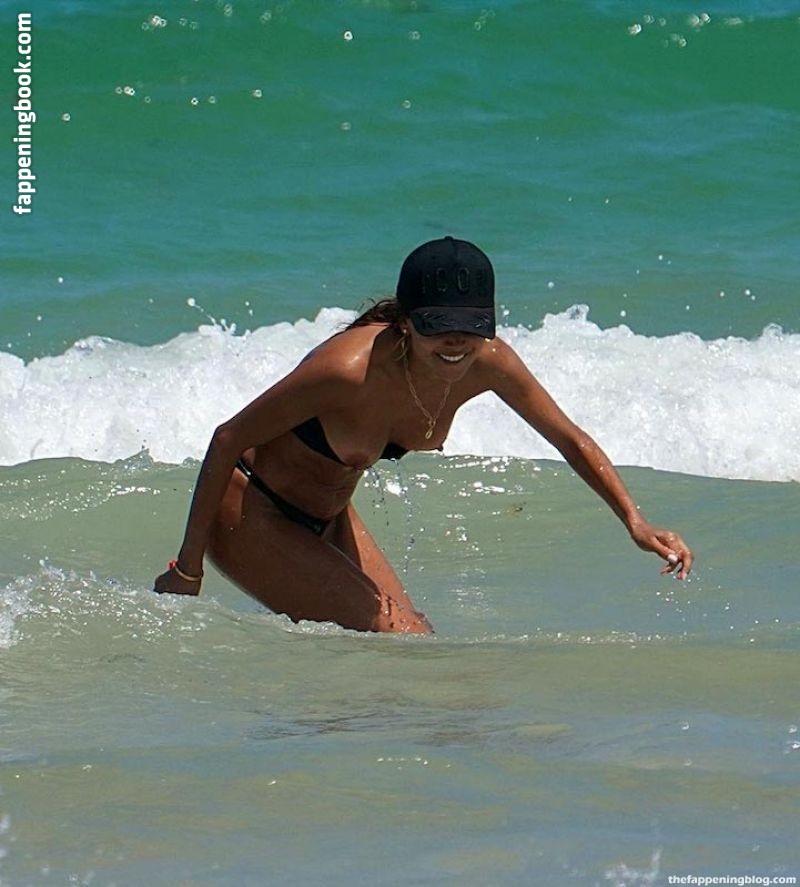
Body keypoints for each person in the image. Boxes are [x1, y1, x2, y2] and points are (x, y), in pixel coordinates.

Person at [154, 236, 693, 634]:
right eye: (438, 327)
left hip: (332, 517)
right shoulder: (349, 370)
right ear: (406, 322)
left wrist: (634, 520)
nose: (455, 343)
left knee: (417, 642)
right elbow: (227, 438)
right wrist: (188, 569)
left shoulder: (491, 363)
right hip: (252, 513)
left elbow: (569, 439)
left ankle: (317, 737)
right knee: (399, 637)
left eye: (471, 327)